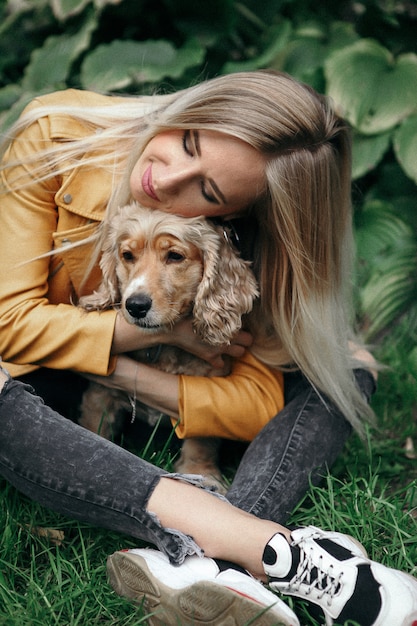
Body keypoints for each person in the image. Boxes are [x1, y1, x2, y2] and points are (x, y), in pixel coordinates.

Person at [0, 69, 415, 624]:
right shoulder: (57, 133)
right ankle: (263, 549)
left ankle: (202, 568)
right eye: (188, 141)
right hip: (39, 377)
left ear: (232, 215)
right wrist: (157, 332)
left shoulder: (242, 238)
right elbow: (8, 322)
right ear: (189, 109)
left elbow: (256, 401)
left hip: (161, 382)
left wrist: (137, 378)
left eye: (208, 192)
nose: (164, 179)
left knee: (344, 366)